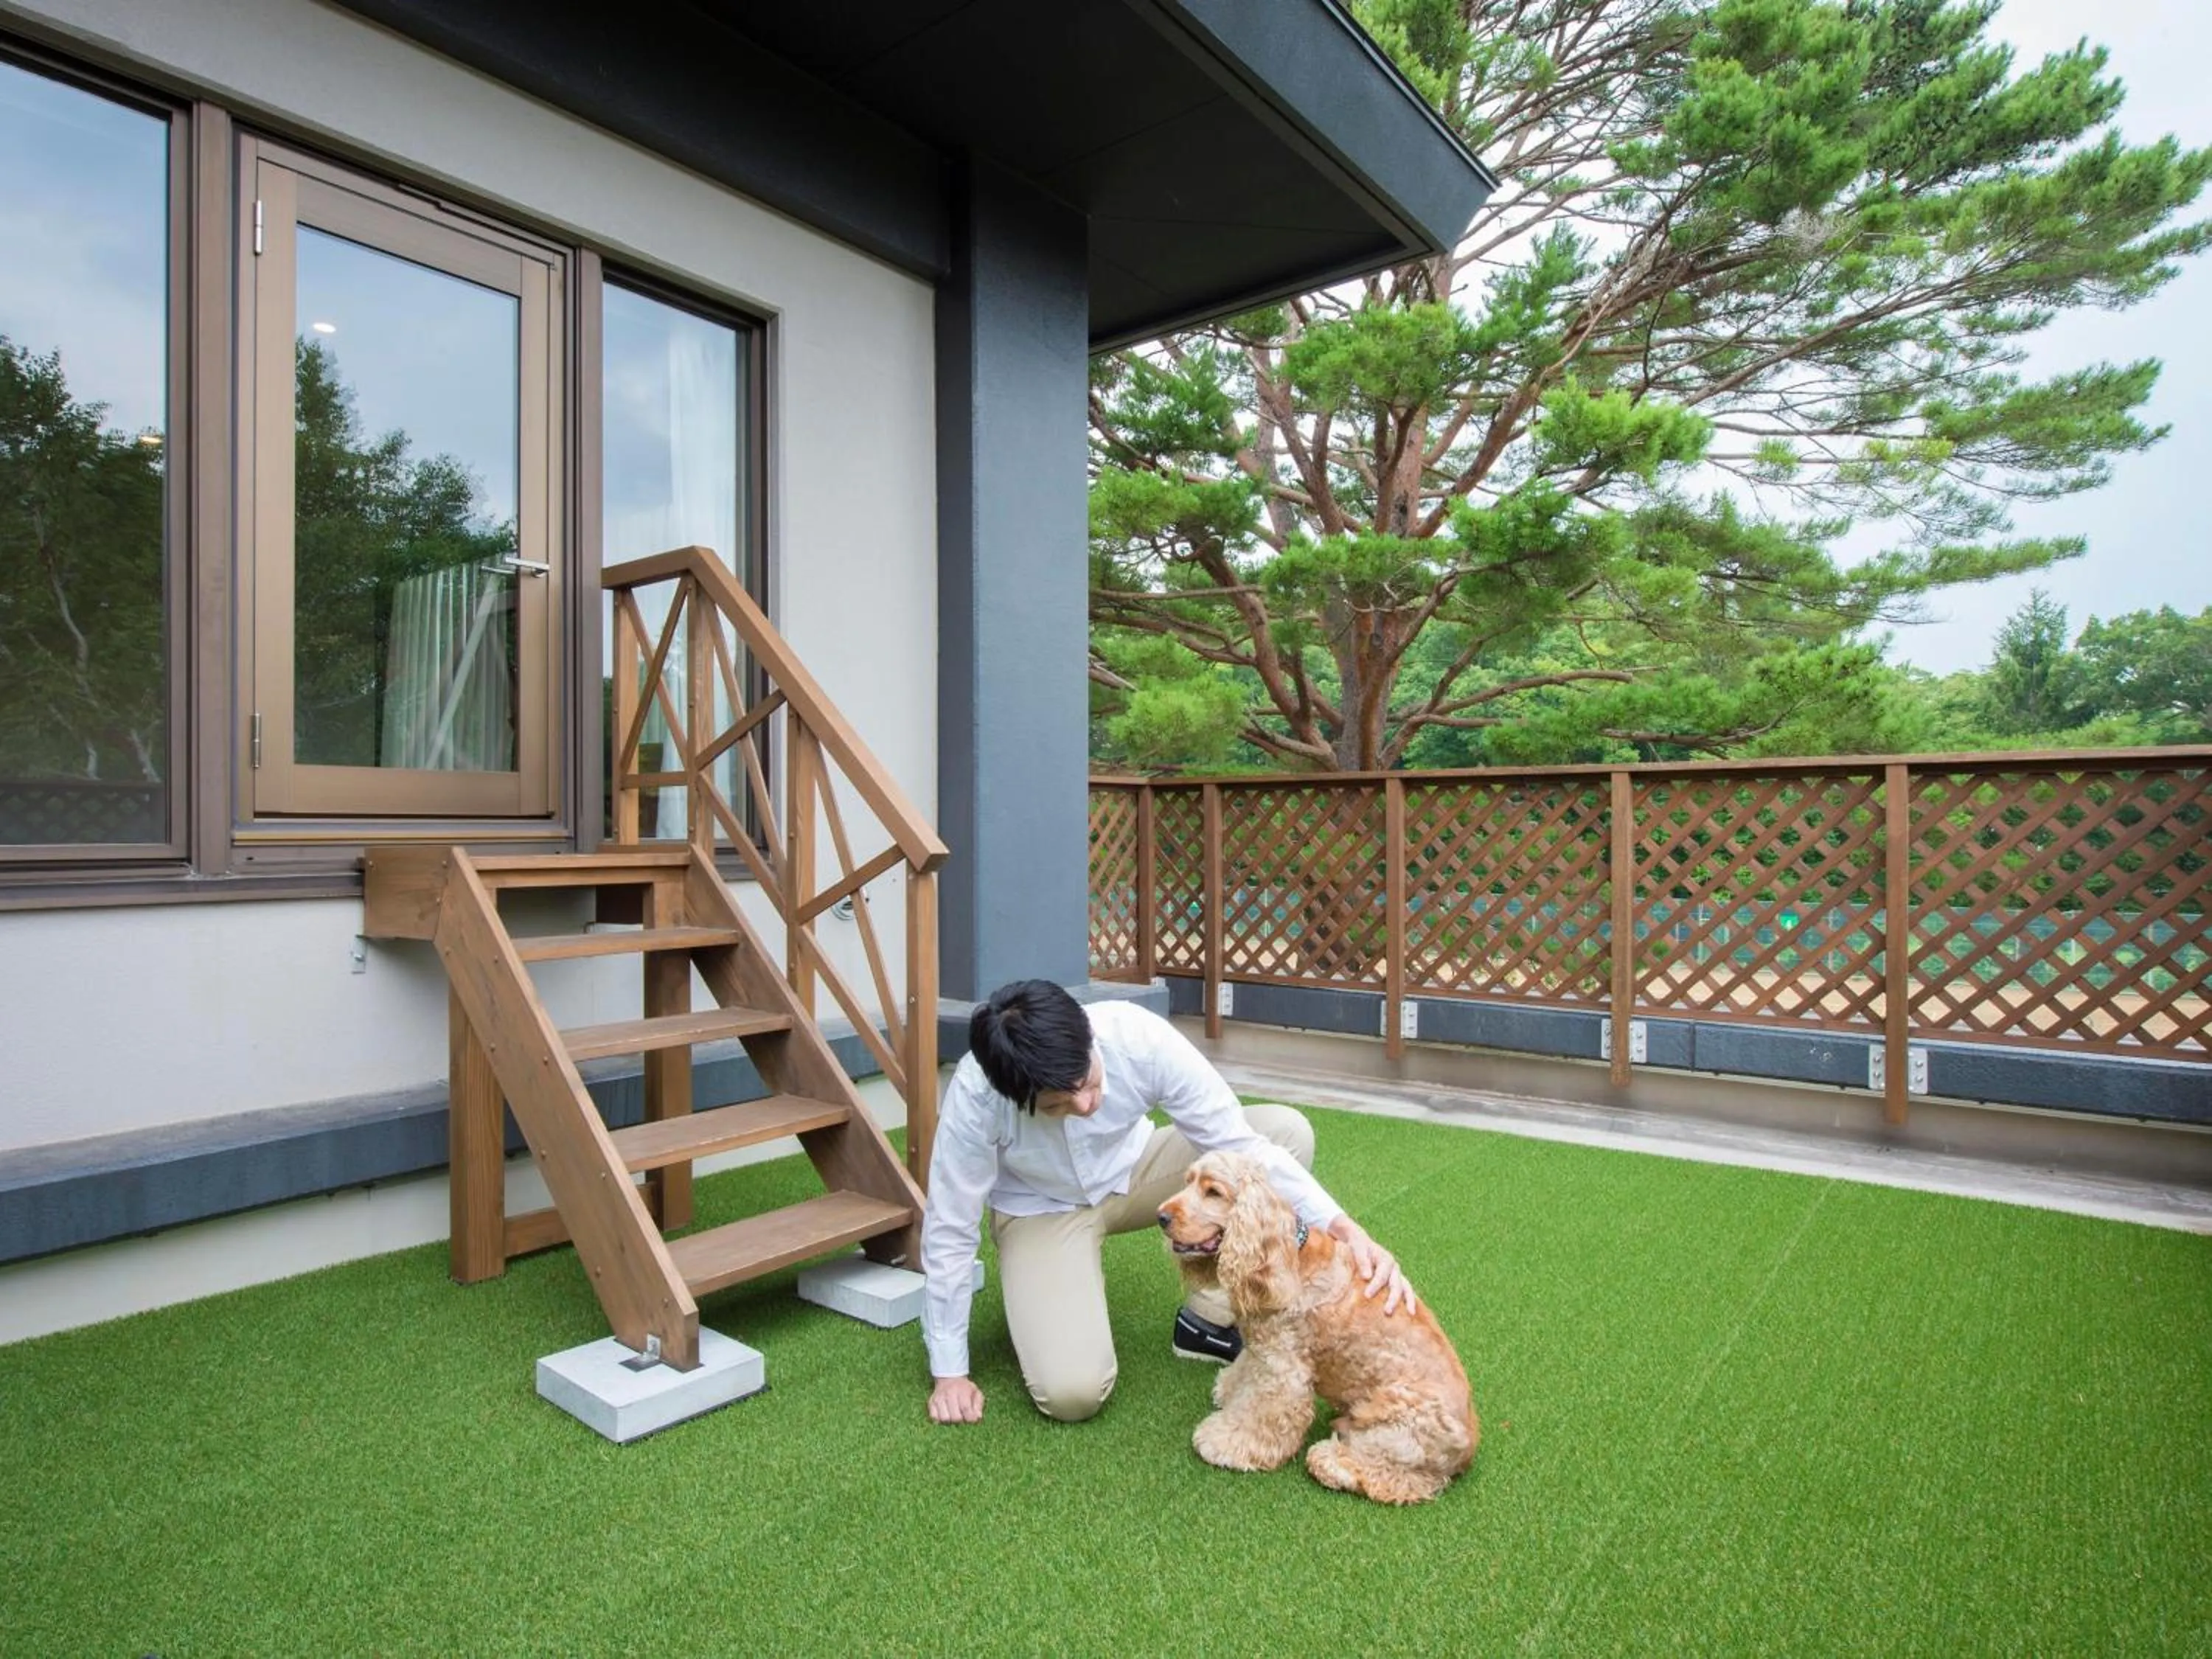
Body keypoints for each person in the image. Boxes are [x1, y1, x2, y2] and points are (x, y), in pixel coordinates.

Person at [921, 979, 1415, 1425]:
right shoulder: (977, 1095)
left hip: (1137, 1171)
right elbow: (950, 1225)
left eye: (1089, 1083)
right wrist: (950, 1372)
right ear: (1014, 1095)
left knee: (1283, 1134)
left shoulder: (1137, 1038)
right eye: (1057, 1106)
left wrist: (1345, 1228)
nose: (1085, 1106)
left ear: (1089, 1039)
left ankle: (1210, 1318)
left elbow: (1240, 1145)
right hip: (1040, 1209)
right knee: (1071, 1395)